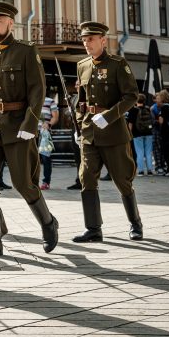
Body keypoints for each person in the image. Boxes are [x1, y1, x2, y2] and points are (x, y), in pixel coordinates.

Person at [0, 1, 58, 258]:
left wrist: (30, 124)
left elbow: (37, 90)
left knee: (23, 183)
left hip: (19, 126)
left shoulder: (26, 51)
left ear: (11, 23)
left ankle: (48, 224)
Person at [71, 21, 142, 243]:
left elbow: (131, 97)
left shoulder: (118, 64)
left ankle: (135, 223)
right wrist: (80, 123)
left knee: (122, 179)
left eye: (90, 39)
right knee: (86, 178)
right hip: (89, 132)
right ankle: (93, 228)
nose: (86, 43)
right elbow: (81, 101)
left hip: (113, 133)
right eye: (84, 40)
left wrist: (109, 116)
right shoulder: (82, 65)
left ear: (103, 40)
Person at [127, 94, 155, 175]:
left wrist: (129, 133)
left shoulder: (133, 110)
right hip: (149, 133)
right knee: (148, 152)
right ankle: (150, 170)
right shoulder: (148, 109)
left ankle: (141, 171)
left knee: (139, 152)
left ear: (136, 100)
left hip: (137, 134)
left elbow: (130, 123)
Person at [38, 93, 58, 190]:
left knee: (46, 158)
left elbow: (55, 117)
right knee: (31, 159)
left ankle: (46, 182)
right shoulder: (30, 100)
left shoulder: (50, 101)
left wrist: (49, 124)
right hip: (31, 133)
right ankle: (31, 182)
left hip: (45, 134)